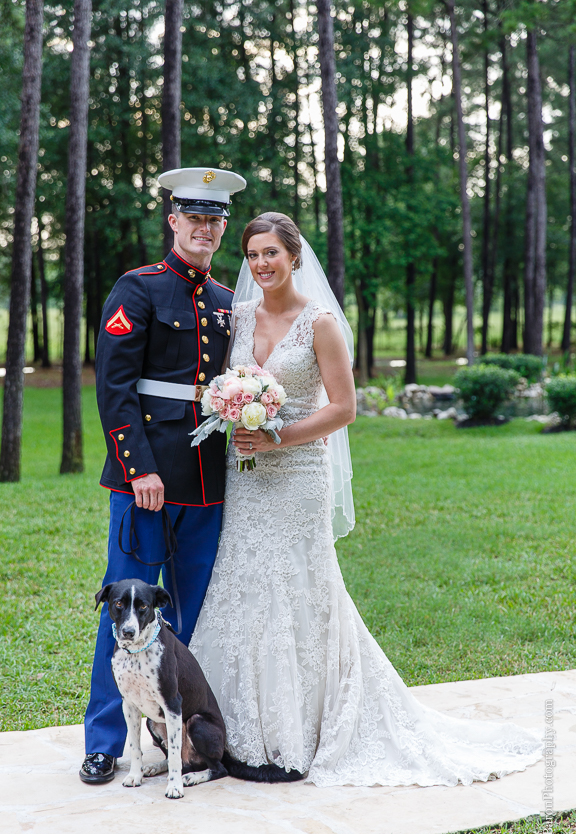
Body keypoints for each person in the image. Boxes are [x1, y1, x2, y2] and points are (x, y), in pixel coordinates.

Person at [190, 212, 542, 787]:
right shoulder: (242, 317)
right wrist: (235, 411)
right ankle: (241, 734)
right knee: (244, 584)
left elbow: (343, 408)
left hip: (298, 471)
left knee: (298, 590)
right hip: (247, 475)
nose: (261, 265)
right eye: (252, 255)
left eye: (271, 253)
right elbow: (226, 384)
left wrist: (278, 435)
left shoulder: (321, 324)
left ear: (295, 257)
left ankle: (296, 737)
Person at [80, 167, 246, 784]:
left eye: (215, 219)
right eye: (194, 217)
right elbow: (115, 387)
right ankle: (104, 742)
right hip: (145, 485)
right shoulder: (138, 289)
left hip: (205, 484)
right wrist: (139, 468)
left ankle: (181, 740)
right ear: (173, 221)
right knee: (123, 613)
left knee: (187, 619)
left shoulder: (230, 302)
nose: (205, 228)